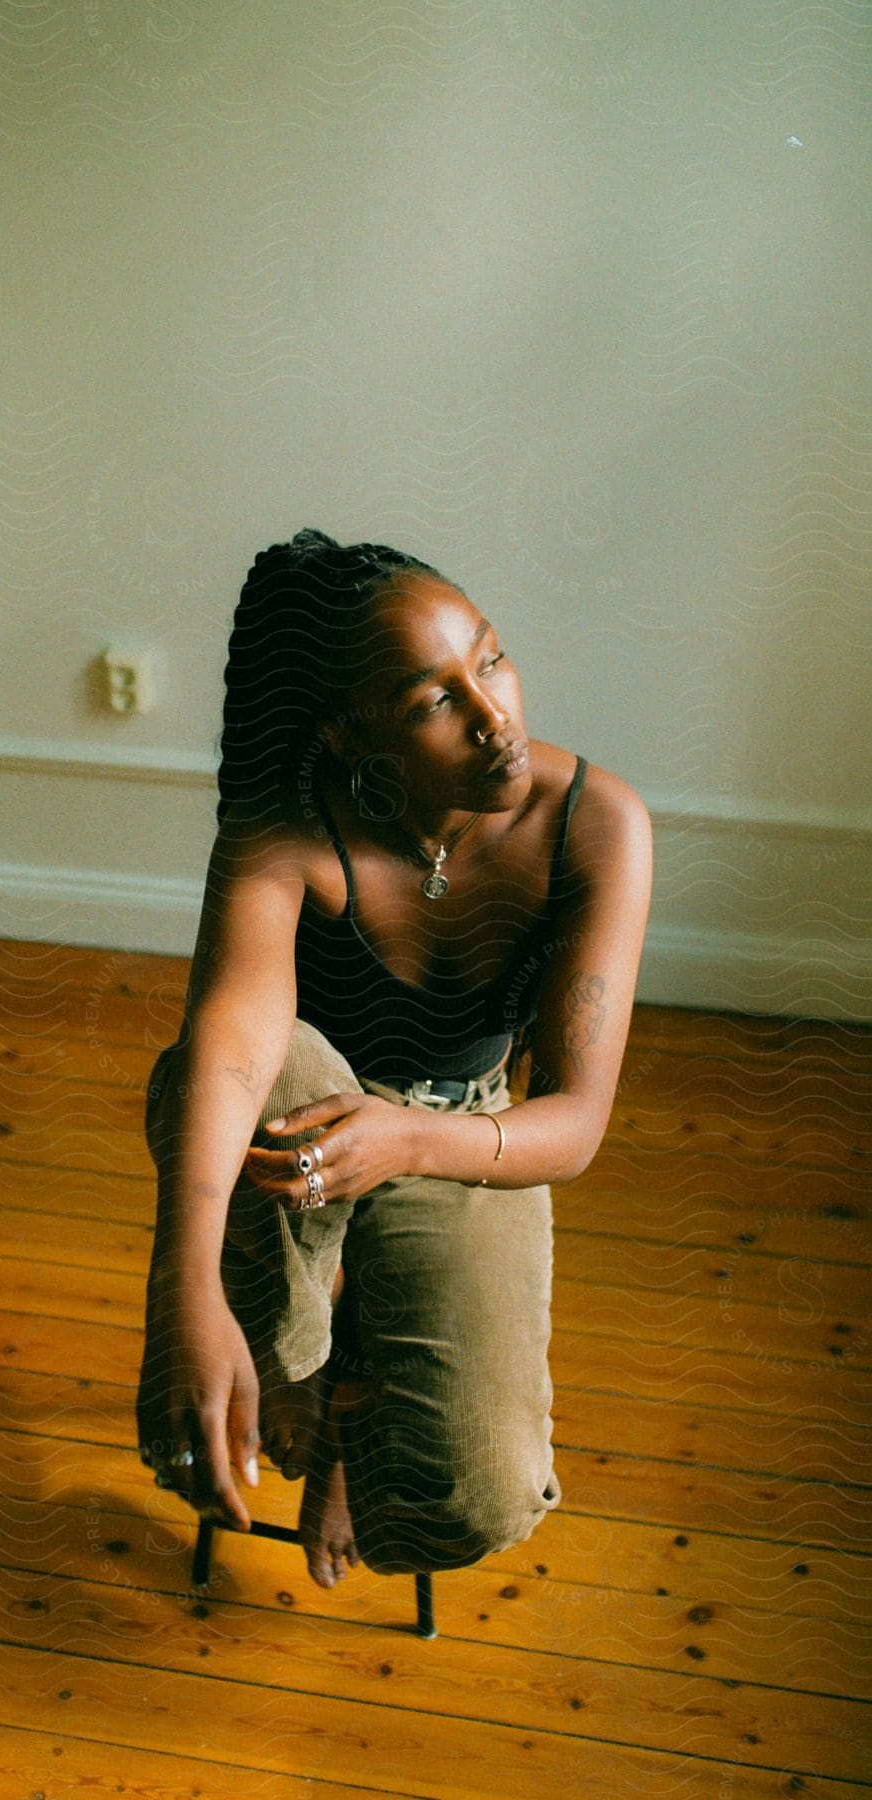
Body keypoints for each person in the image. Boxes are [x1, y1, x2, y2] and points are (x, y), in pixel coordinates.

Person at [137, 529, 653, 1590]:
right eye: (432, 702)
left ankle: (345, 1400)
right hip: (298, 1132)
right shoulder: (287, 824)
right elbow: (231, 1043)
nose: (496, 715)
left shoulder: (593, 823)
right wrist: (188, 1290)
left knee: (472, 1502)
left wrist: (413, 1136)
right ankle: (299, 1373)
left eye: (494, 660)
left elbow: (577, 1123)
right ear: (349, 733)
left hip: (461, 1137)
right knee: (244, 1067)